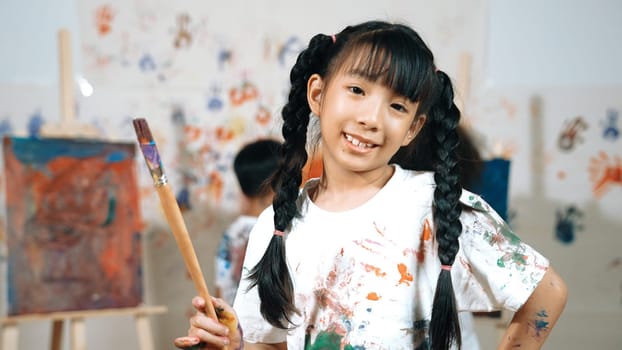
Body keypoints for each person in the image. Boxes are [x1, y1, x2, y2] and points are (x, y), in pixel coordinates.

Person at [175, 20, 567, 350]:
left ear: (413, 128)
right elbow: (270, 343)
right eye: (358, 90)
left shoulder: (434, 205)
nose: (371, 118)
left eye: (397, 106)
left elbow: (546, 293)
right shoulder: (274, 226)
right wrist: (229, 345)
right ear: (318, 94)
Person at [214, 139, 283, 305]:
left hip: (234, 325)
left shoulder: (233, 232)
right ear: (275, 186)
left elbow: (221, 289)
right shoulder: (276, 230)